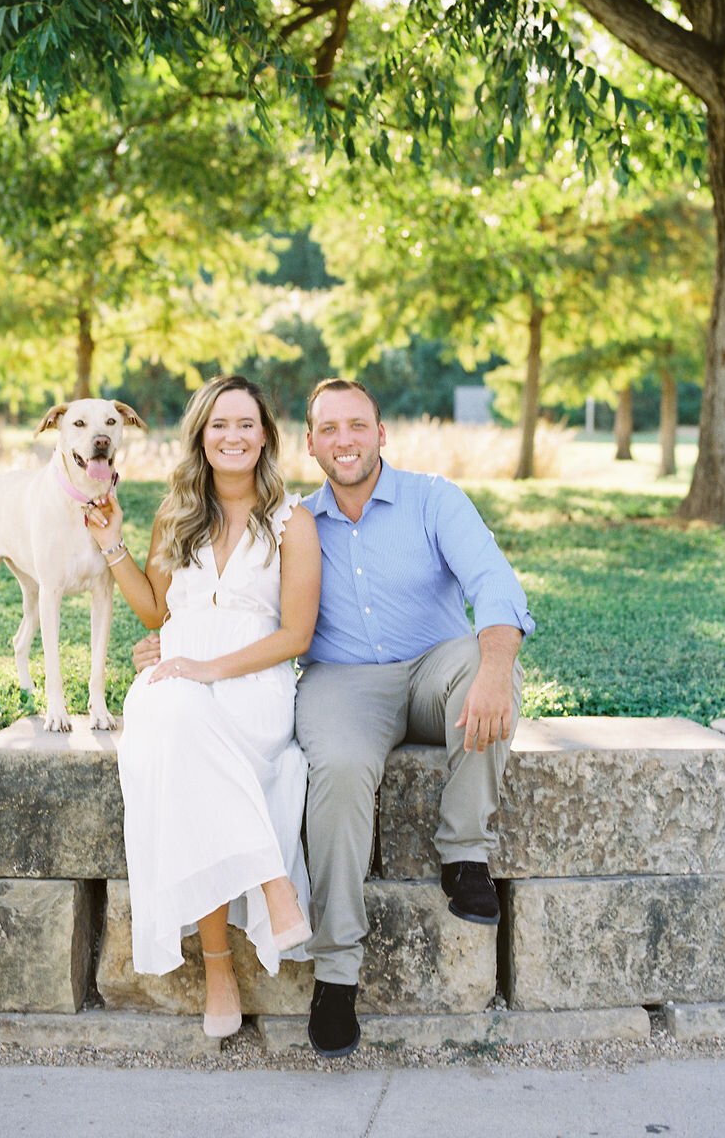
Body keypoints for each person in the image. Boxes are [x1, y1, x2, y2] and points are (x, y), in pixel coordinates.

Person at [135, 377, 533, 1057]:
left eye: (358, 426)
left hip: (435, 668)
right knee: (340, 771)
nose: (344, 440)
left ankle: (464, 851)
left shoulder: (434, 500)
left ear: (381, 434)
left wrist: (497, 666)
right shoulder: (300, 523)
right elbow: (200, 599)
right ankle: (337, 974)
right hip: (344, 685)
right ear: (311, 444)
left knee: (483, 664)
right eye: (329, 429)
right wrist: (172, 639)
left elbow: (493, 582)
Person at [89, 375, 321, 1039]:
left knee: (186, 724)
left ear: (266, 439)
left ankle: (222, 964)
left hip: (253, 685)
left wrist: (205, 668)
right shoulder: (176, 513)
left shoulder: (293, 522)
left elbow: (295, 636)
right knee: (177, 716)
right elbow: (156, 611)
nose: (233, 436)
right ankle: (271, 888)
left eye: (247, 424)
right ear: (201, 435)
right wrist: (111, 542)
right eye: (220, 424)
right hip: (174, 684)